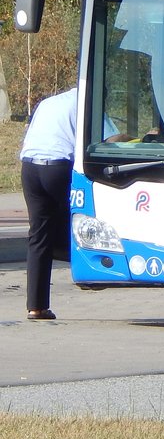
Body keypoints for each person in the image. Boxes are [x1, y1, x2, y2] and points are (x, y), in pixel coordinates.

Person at [19, 88, 80, 320]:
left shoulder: (48, 102)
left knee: (38, 235)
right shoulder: (86, 100)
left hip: (30, 168)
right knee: (79, 220)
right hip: (57, 167)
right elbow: (108, 138)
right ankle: (90, 268)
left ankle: (36, 307)